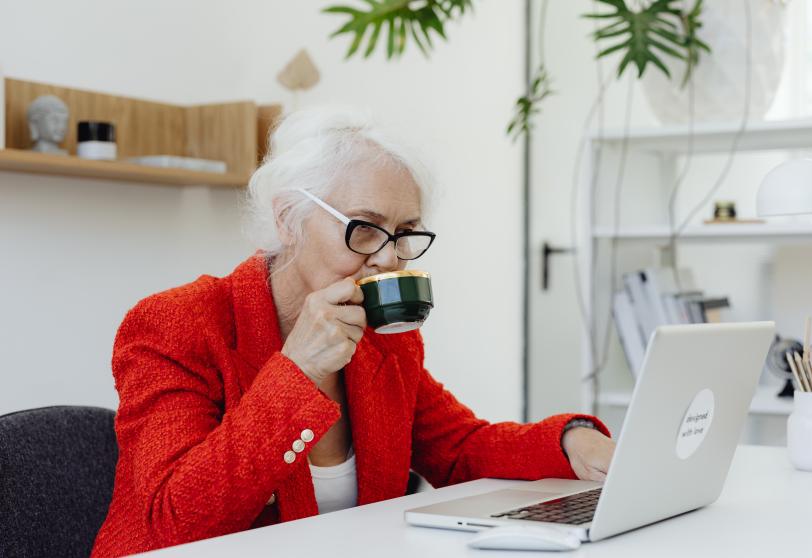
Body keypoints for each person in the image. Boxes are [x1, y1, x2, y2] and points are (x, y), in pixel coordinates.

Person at [91, 108, 616, 556]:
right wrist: (298, 372)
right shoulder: (176, 324)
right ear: (288, 219)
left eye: (405, 232)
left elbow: (456, 450)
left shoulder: (381, 334)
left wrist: (571, 441)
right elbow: (173, 523)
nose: (388, 257)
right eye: (363, 227)